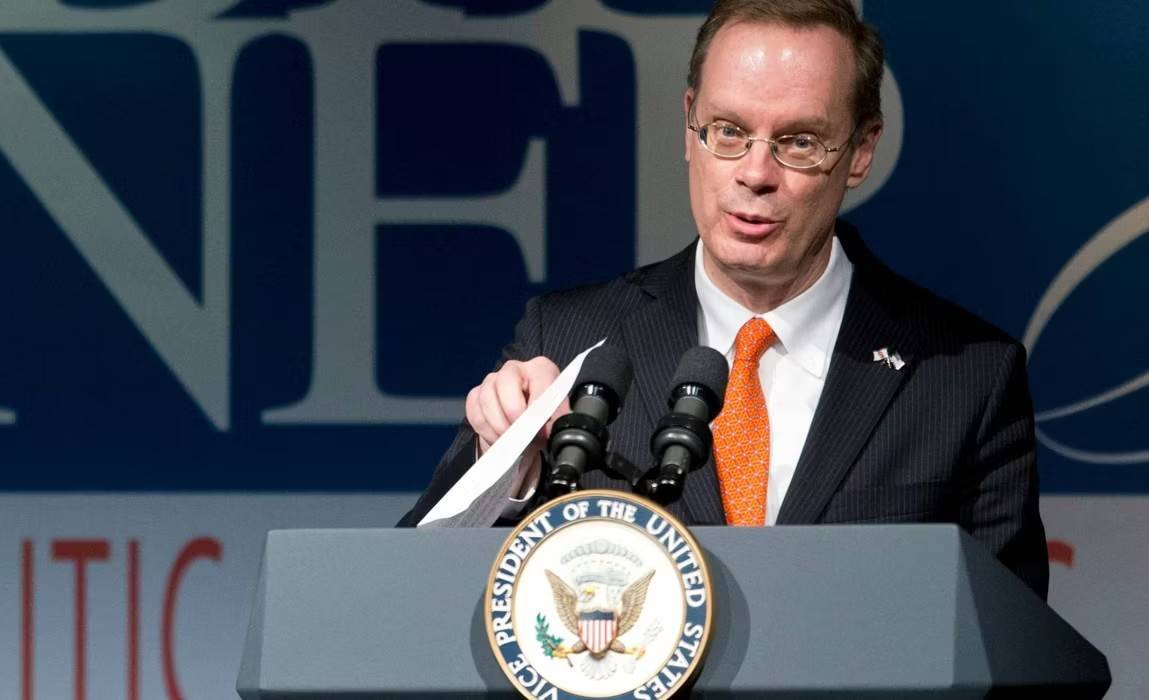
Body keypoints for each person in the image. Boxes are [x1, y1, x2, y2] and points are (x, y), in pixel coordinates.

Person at [400, 0, 1048, 599]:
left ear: (859, 150)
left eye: (798, 141)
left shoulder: (964, 378)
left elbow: (1015, 652)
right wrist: (504, 467)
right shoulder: (566, 340)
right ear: (689, 129)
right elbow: (410, 586)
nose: (755, 173)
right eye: (728, 131)